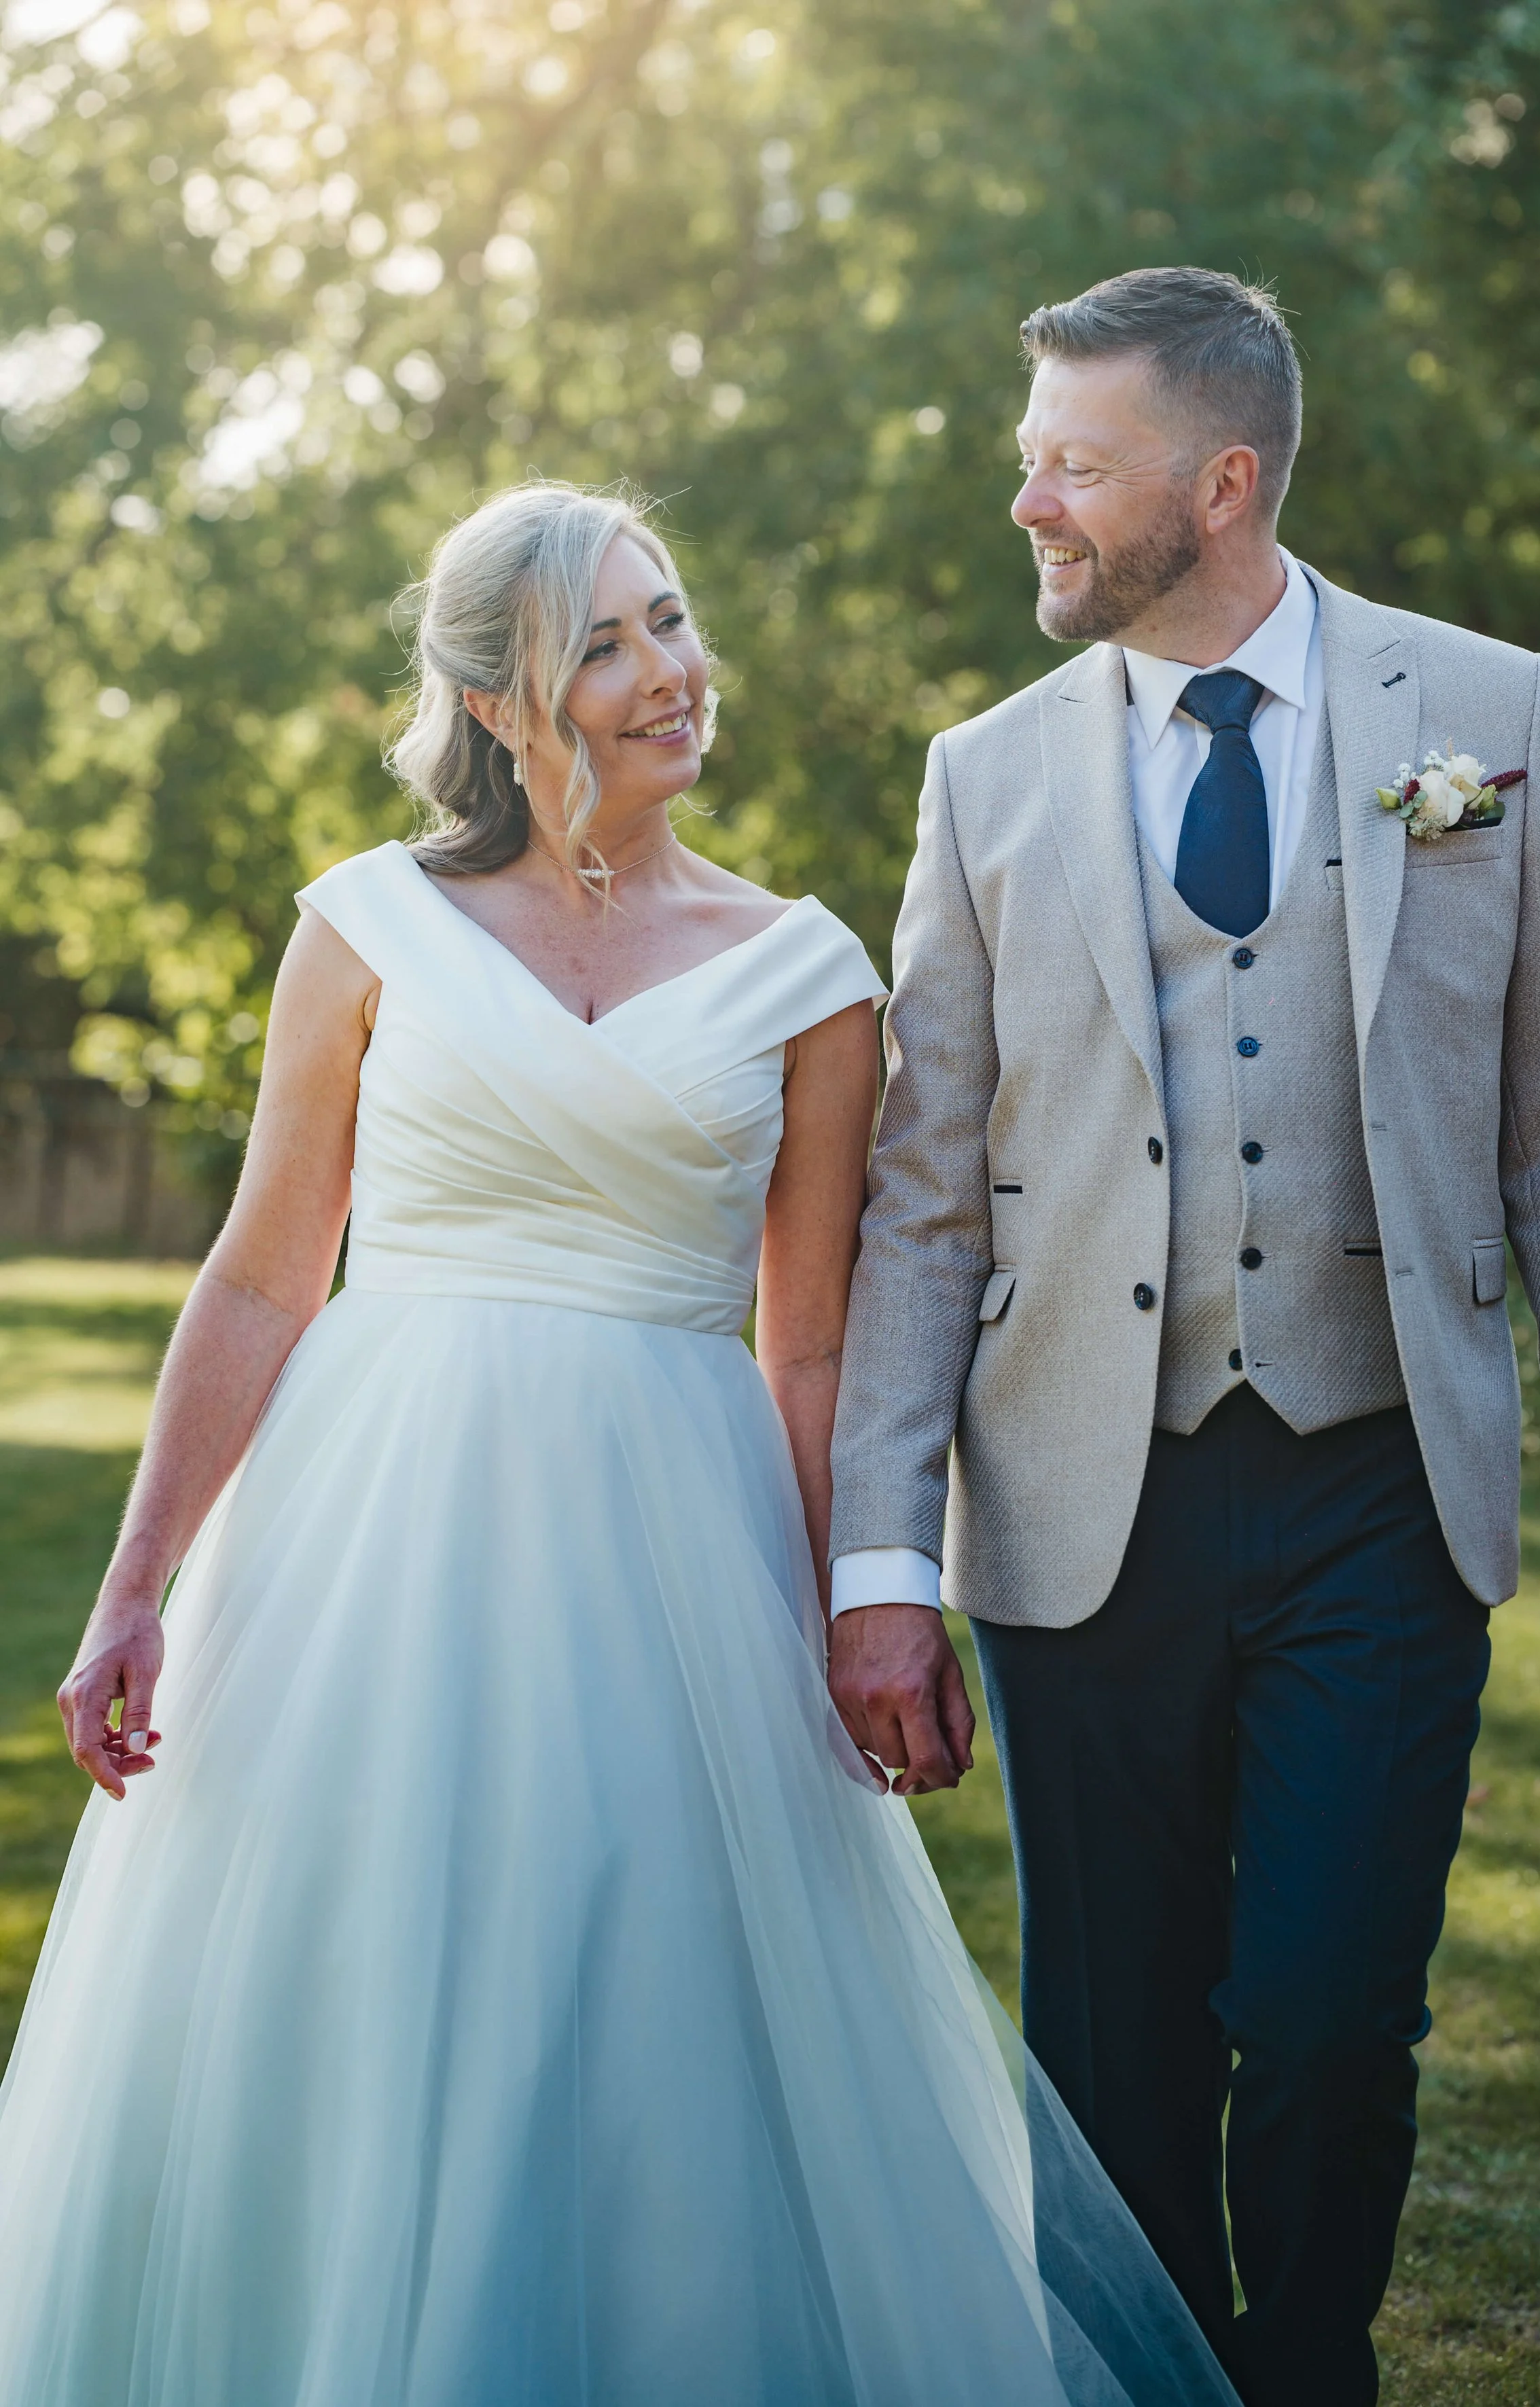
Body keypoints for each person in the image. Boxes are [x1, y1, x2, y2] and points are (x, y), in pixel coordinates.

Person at [0, 481, 1238, 2407]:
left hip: (669, 1529)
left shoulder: (809, 972)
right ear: (504, 700)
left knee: (640, 1979)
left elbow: (809, 1334)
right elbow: (260, 1273)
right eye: (607, 640)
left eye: (669, 618)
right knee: (346, 1969)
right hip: (371, 1520)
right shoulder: (369, 921)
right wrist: (138, 1580)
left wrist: (860, 1604)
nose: (671, 669)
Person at [826, 268, 1540, 2407]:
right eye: (1028, 452)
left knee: (1324, 2011)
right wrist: (880, 1560)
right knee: (1107, 2040)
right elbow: (923, 1190)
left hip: (1375, 1475)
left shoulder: (1477, 710)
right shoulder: (984, 774)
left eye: (1069, 461)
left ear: (1219, 481)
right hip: (1067, 1491)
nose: (1022, 494)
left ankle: (1308, 2369)